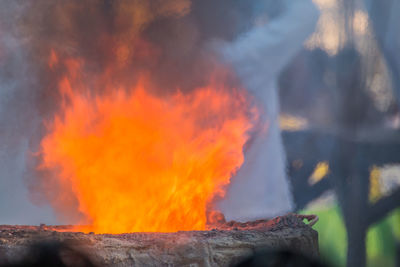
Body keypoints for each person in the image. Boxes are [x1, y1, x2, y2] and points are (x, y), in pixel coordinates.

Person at [217, 0, 320, 221]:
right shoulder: (244, 58)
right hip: (261, 214)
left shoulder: (177, 71)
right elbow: (305, 13)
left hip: (209, 221)